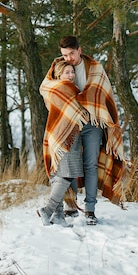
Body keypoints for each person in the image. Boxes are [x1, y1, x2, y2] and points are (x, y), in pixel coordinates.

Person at [52, 35, 125, 225]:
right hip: (70, 124)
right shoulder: (59, 67)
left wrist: (85, 100)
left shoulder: (95, 69)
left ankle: (90, 210)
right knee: (72, 166)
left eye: (71, 54)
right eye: (65, 55)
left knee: (91, 165)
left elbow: (104, 93)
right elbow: (48, 89)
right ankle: (71, 205)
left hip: (92, 124)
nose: (68, 58)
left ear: (79, 50)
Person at [38, 59, 89, 227]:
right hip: (67, 137)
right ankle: (47, 210)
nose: (71, 75)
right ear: (59, 74)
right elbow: (80, 110)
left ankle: (59, 216)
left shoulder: (51, 88)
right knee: (67, 174)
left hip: (54, 134)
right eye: (67, 72)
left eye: (73, 72)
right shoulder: (66, 88)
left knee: (58, 175)